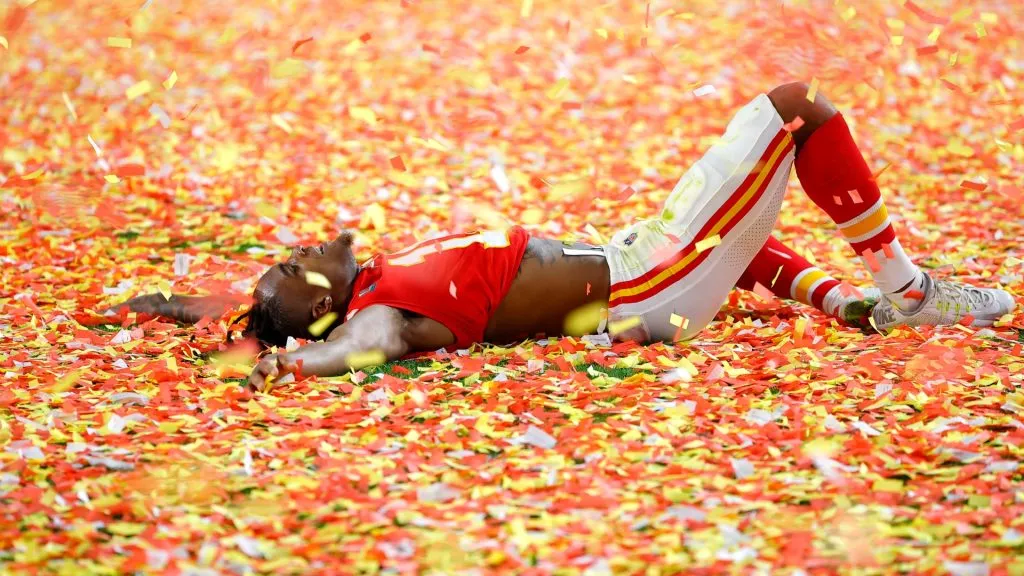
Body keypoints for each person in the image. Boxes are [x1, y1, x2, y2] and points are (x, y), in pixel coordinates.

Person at [111, 82, 1015, 390]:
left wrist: (173, 307)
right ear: (318, 305)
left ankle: (855, 302)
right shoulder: (383, 309)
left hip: (640, 271)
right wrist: (297, 364)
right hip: (645, 285)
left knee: (745, 240)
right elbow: (367, 344)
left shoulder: (377, 275)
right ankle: (908, 292)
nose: (300, 247)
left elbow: (256, 306)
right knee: (795, 112)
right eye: (291, 265)